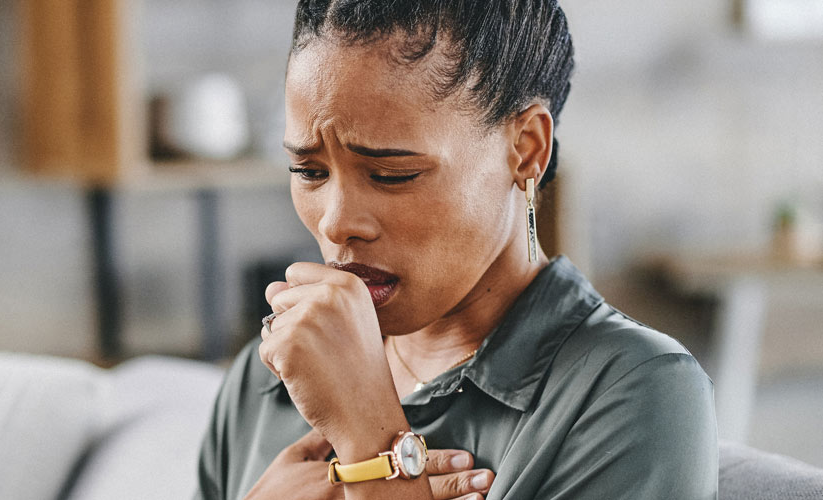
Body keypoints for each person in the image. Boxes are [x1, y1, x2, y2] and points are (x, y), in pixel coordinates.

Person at [195, 1, 717, 499]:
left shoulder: (633, 393)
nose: (335, 223)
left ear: (527, 148)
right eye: (308, 171)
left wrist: (372, 448)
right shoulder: (270, 374)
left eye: (390, 174)